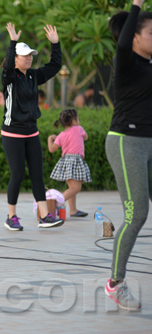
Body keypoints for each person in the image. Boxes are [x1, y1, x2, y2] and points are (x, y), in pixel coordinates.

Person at [105, 0, 152, 311]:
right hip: (126, 141)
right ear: (135, 36)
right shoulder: (126, 61)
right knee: (136, 215)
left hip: (149, 142)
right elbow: (121, 46)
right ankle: (115, 283)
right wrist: (136, 6)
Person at [1, 22, 64, 231]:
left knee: (37, 173)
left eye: (30, 55)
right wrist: (12, 42)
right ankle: (11, 216)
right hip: (12, 133)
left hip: (32, 132)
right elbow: (8, 65)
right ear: (15, 58)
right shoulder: (9, 77)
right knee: (17, 174)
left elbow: (54, 67)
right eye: (24, 55)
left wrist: (55, 44)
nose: (29, 58)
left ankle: (44, 216)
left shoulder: (33, 76)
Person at [47, 108, 91, 217]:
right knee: (76, 188)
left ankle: (73, 210)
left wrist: (50, 139)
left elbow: (52, 149)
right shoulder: (78, 129)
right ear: (73, 121)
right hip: (75, 161)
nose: (79, 121)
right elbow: (86, 137)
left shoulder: (61, 135)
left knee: (72, 188)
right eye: (77, 118)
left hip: (66, 162)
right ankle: (55, 204)